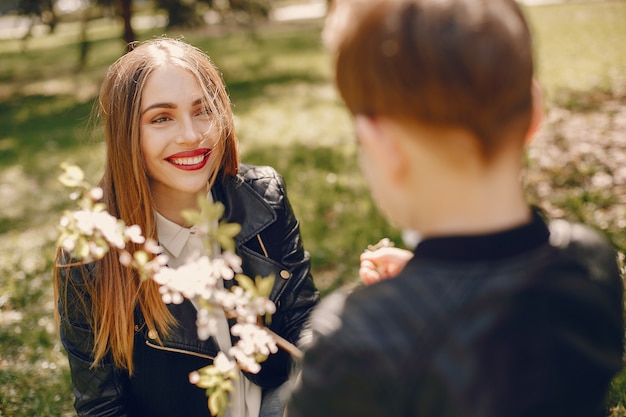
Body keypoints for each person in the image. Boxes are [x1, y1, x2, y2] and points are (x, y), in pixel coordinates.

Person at [286, 0, 624, 416]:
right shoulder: (590, 263)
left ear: (379, 142)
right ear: (535, 110)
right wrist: (430, 282)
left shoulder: (355, 341)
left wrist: (414, 299)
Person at [54, 37, 319, 417]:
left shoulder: (262, 199)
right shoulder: (89, 257)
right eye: (161, 118)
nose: (192, 135)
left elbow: (302, 318)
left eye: (203, 111)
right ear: (127, 135)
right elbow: (102, 406)